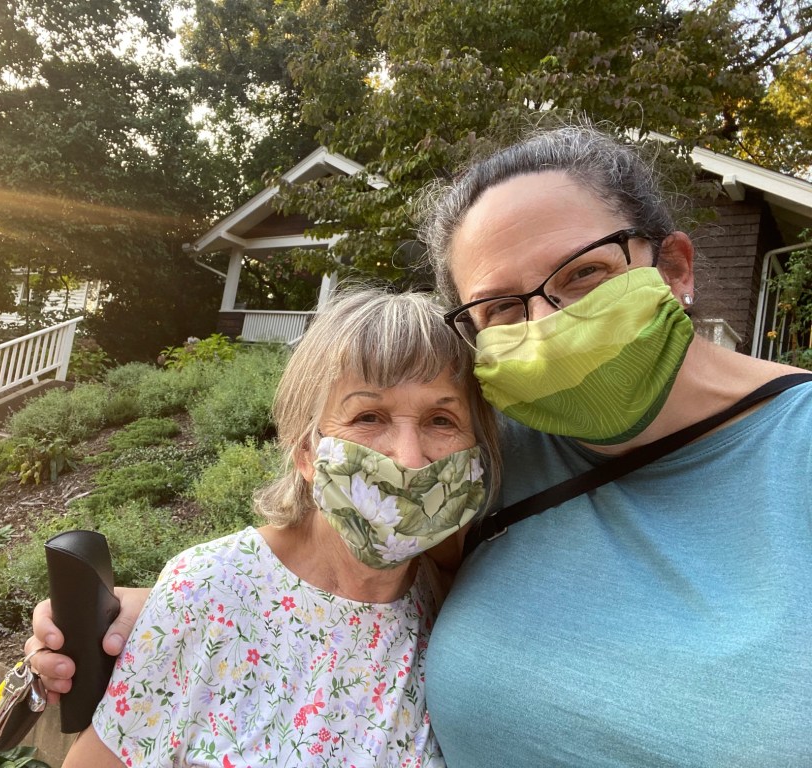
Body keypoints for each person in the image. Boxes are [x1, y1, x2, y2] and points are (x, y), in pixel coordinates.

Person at [417, 123, 812, 766]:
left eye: (583, 273)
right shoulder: (480, 451)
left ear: (675, 267)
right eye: (500, 310)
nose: (549, 328)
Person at [43, 288, 500, 766]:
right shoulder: (210, 592)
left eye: (441, 419)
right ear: (306, 451)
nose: (408, 458)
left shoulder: (451, 615)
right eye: (369, 416)